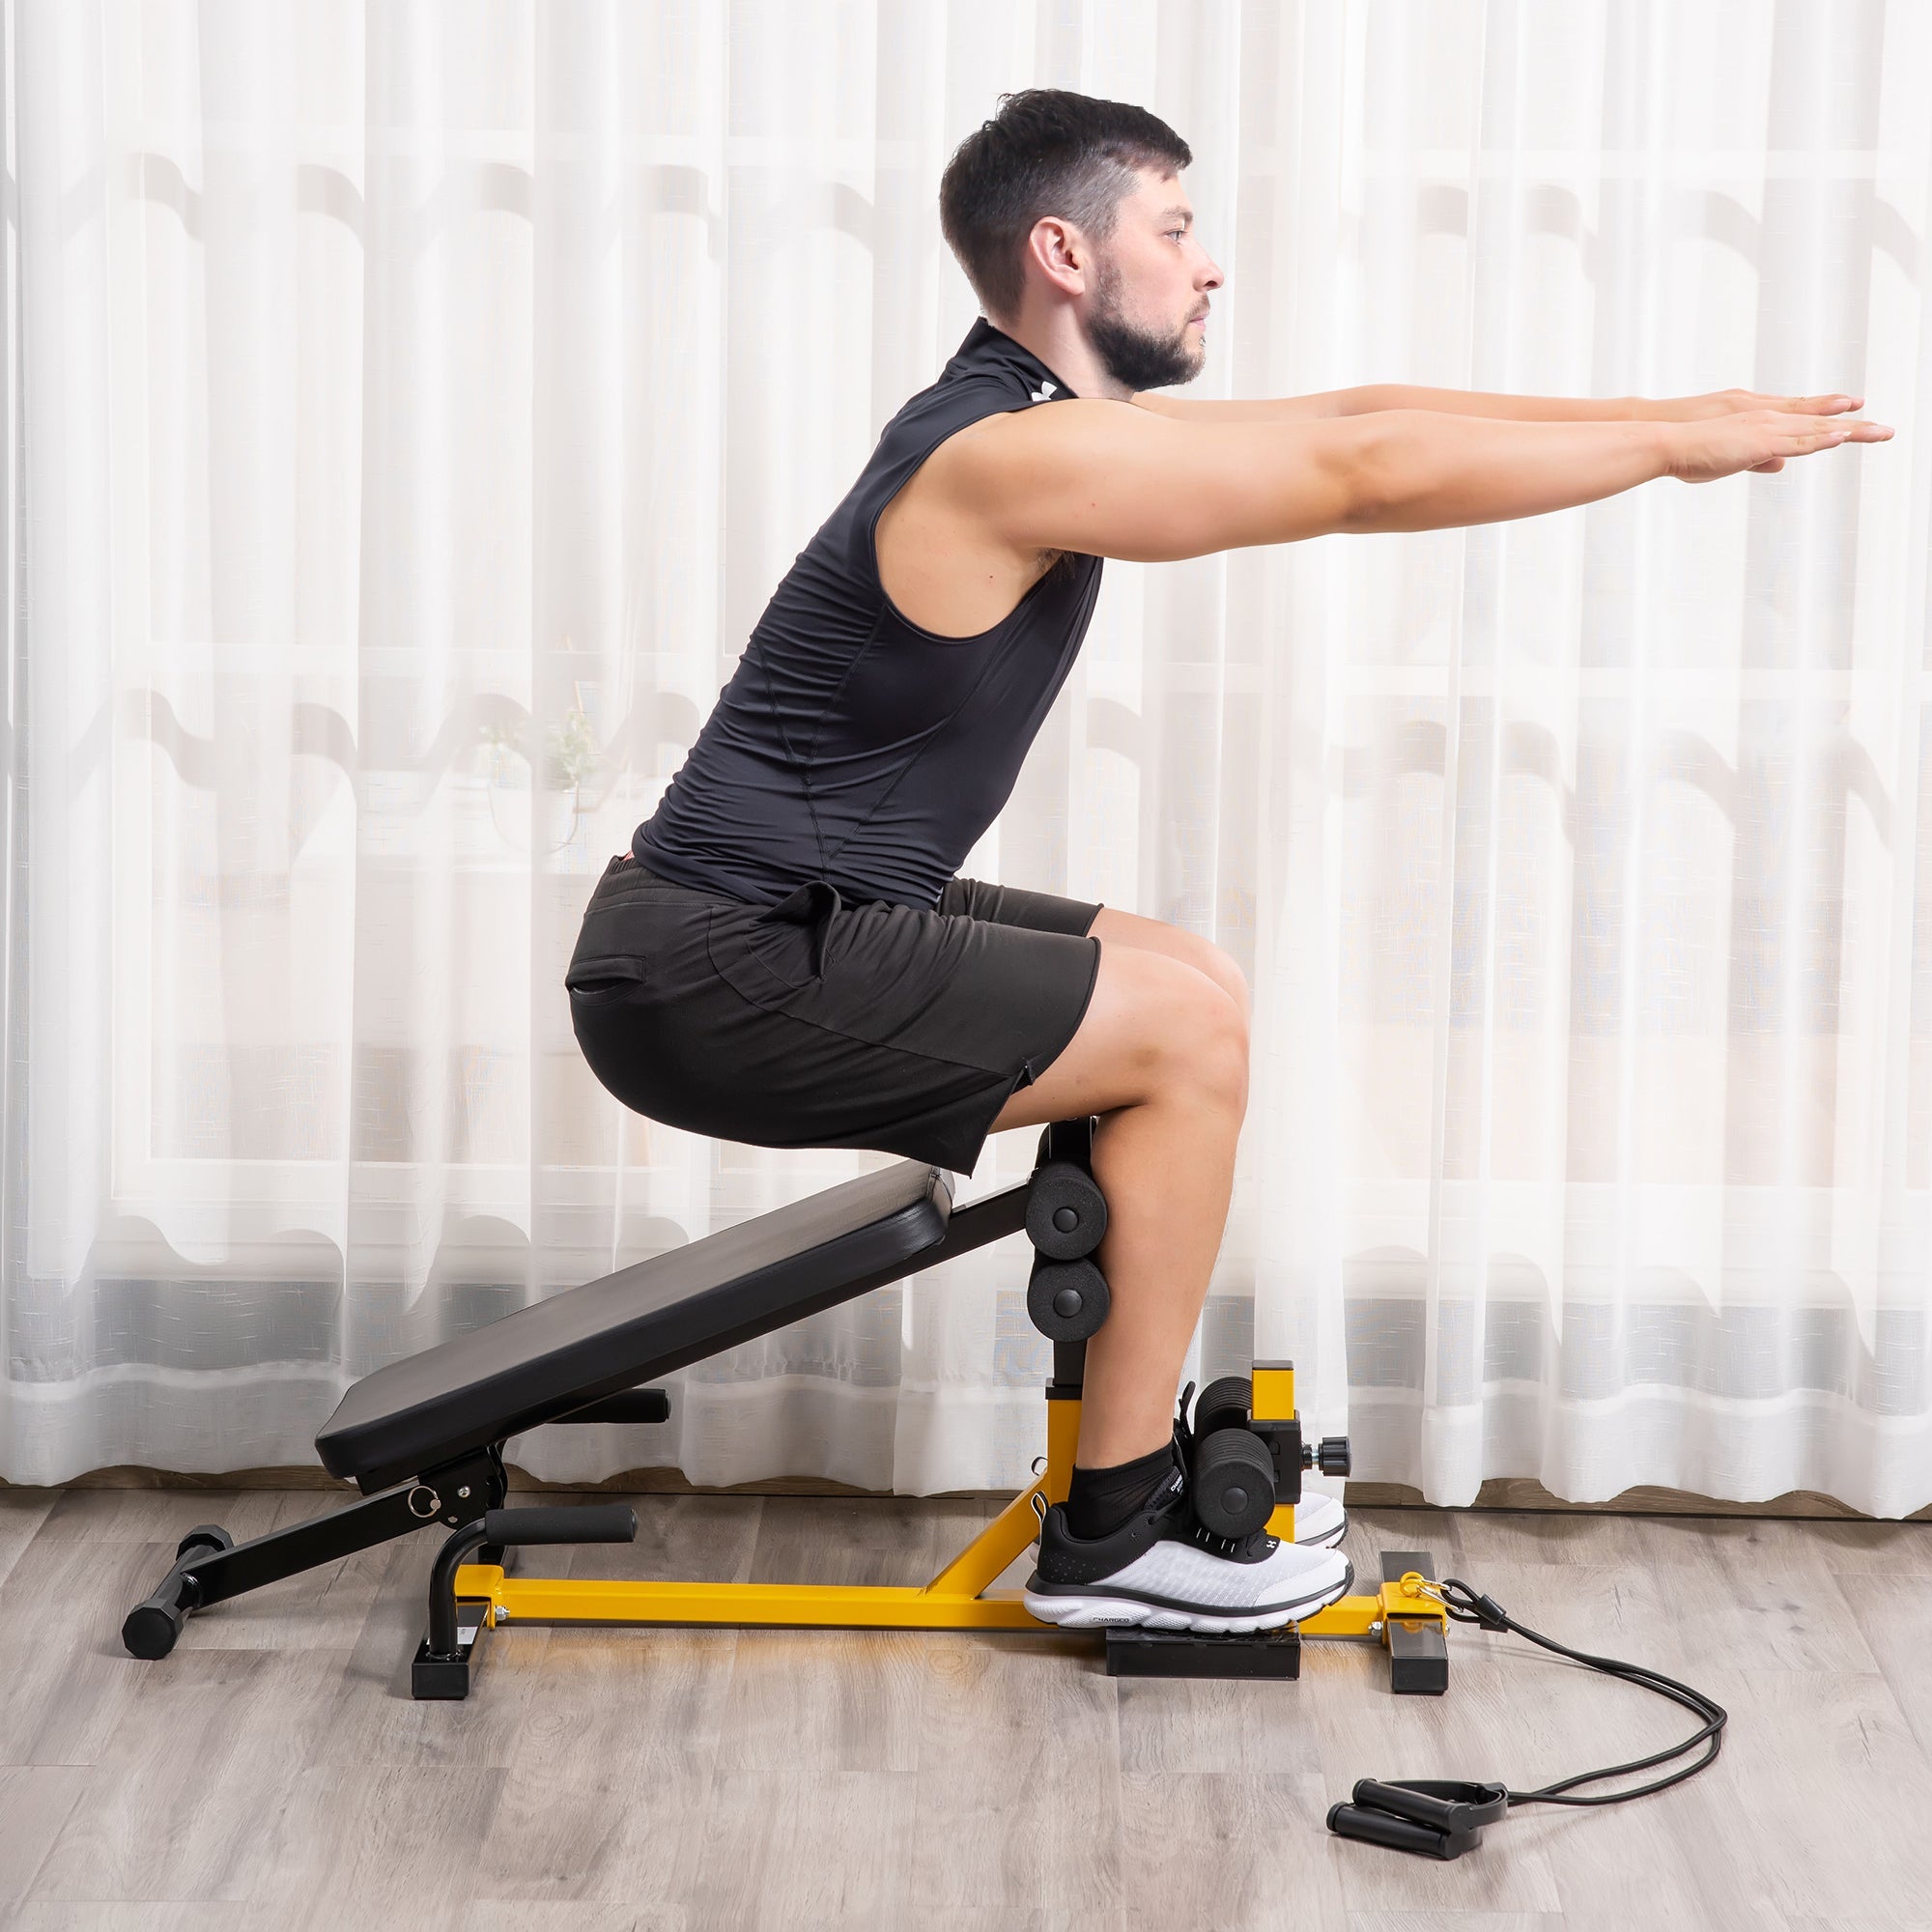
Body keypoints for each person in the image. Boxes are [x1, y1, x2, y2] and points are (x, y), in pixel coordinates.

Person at [566, 88, 1890, 1635]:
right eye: (1177, 229)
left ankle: (1118, 1456)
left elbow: (1356, 417)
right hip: (714, 963)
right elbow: (1363, 480)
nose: (1208, 268)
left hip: (791, 915)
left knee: (1187, 978)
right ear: (1065, 251)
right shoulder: (1008, 459)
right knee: (1183, 1038)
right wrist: (1672, 451)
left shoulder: (1034, 421)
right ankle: (1118, 1535)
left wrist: (1676, 415)